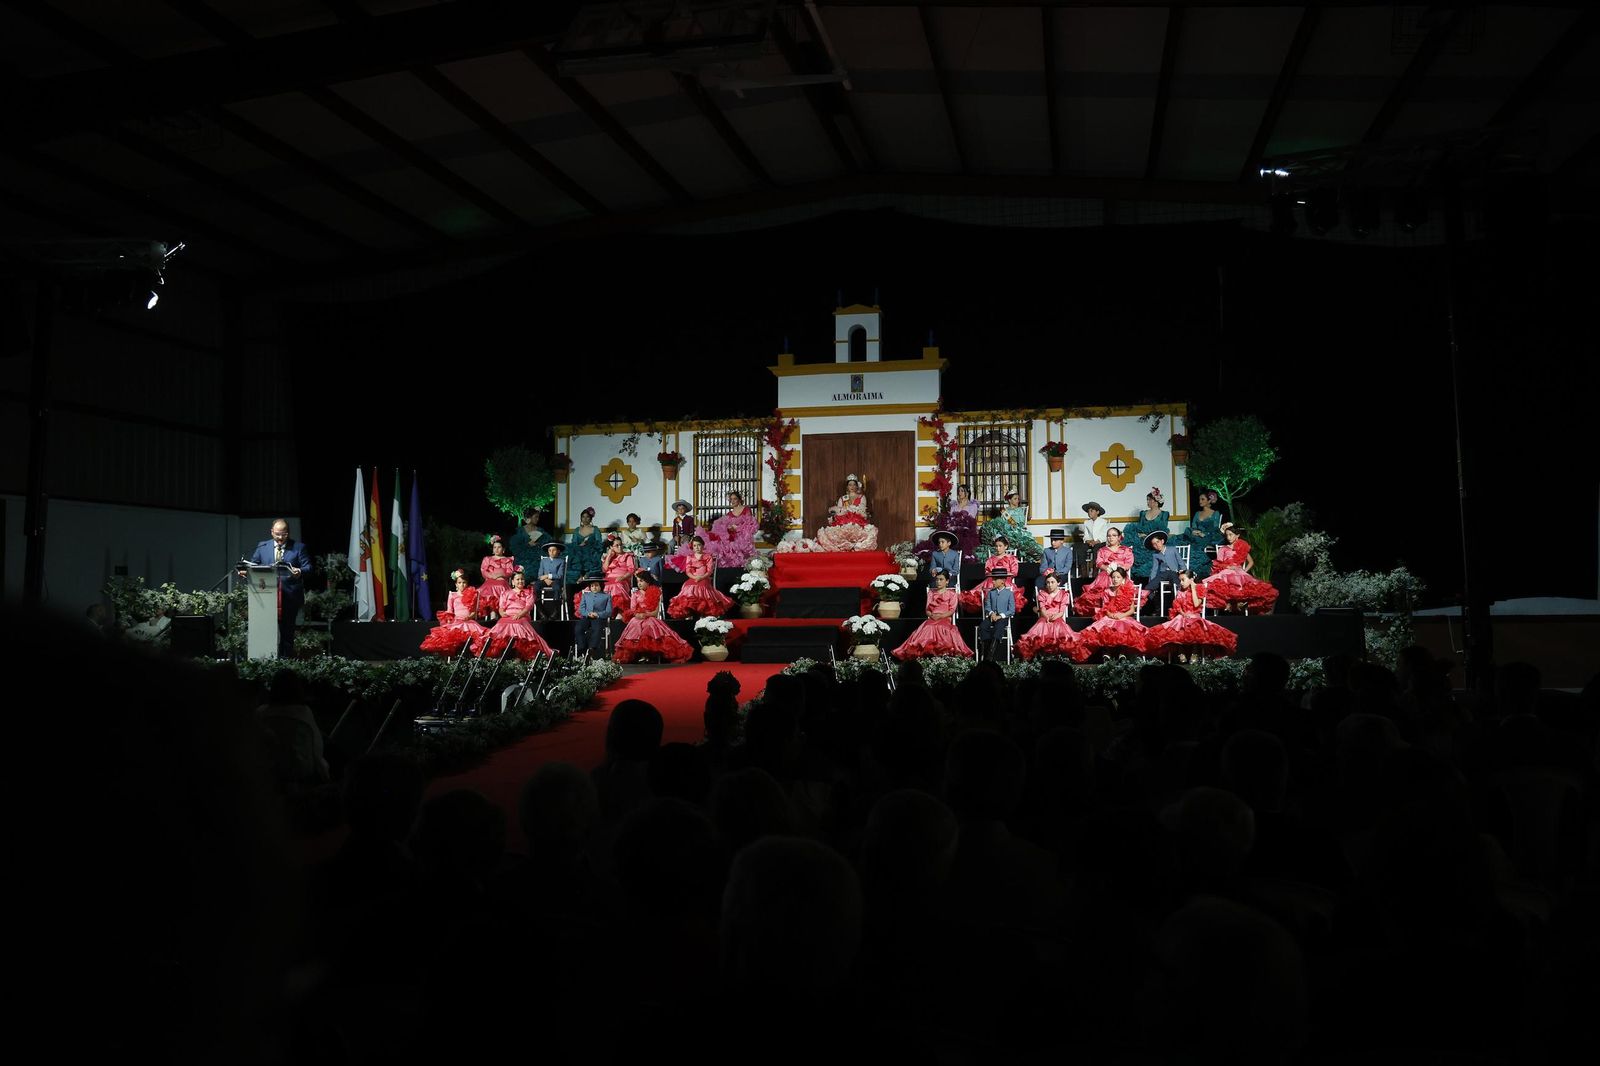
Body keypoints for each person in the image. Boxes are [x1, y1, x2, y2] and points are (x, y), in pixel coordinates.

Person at [243, 518, 312, 658]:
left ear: (288, 533)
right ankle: (267, 660)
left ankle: (286, 662)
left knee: (287, 632)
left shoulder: (298, 547)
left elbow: (308, 567)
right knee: (267, 631)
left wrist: (300, 571)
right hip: (266, 596)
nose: (280, 538)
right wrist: (246, 572)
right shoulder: (263, 546)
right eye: (277, 534)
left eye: (284, 534)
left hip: (290, 596)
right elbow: (254, 565)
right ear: (271, 532)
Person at [1144, 570, 1239, 661]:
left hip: (1194, 615)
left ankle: (1195, 651)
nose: (1181, 583)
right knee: (1178, 627)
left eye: (1183, 580)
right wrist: (1183, 613)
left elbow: (1196, 604)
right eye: (1180, 580)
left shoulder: (1200, 588)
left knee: (1195, 626)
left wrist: (1193, 588)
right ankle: (1181, 651)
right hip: (1182, 616)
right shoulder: (1180, 591)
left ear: (1191, 579)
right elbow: (1177, 605)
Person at [614, 571, 693, 664]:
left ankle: (650, 655)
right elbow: (632, 610)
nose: (639, 583)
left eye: (642, 581)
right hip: (638, 617)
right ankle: (640, 655)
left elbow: (655, 612)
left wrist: (646, 614)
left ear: (648, 581)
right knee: (635, 625)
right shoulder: (636, 594)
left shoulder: (655, 592)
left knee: (649, 625)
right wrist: (638, 614)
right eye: (638, 581)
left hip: (649, 616)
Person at [892, 568, 971, 661]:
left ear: (947, 581)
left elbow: (952, 610)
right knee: (927, 628)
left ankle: (941, 652)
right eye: (937, 579)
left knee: (941, 628)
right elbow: (927, 609)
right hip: (933, 618)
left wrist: (940, 616)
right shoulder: (931, 593)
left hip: (945, 618)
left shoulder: (952, 594)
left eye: (941, 579)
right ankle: (926, 654)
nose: (938, 582)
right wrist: (932, 615)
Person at [474, 568, 553, 660]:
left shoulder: (529, 593)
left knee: (518, 624)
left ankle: (519, 654)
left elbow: (528, 606)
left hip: (521, 616)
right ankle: (500, 652)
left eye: (522, 579)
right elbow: (501, 607)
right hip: (508, 616)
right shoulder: (506, 593)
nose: (520, 581)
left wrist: (520, 614)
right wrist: (502, 613)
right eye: (518, 579)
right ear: (513, 581)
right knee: (501, 624)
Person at [1201, 523, 1280, 614]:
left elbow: (1251, 562)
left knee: (1244, 580)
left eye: (1231, 535)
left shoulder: (1242, 547)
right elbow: (1218, 564)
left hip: (1239, 571)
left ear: (1237, 535)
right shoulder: (1223, 549)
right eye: (1227, 535)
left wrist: (1244, 570)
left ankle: (1239, 602)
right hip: (1226, 570)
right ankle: (1228, 603)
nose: (1228, 537)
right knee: (1224, 581)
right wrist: (1228, 566)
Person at [1017, 572, 1088, 662]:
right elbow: (1042, 609)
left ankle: (1058, 654)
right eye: (1048, 582)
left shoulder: (1063, 594)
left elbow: (1061, 612)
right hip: (1045, 617)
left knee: (1058, 627)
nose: (1050, 585)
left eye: (1052, 582)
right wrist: (1047, 616)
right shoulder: (1042, 594)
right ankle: (1043, 654)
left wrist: (1055, 616)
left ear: (1058, 583)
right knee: (1042, 626)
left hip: (1056, 617)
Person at [1080, 567, 1147, 658]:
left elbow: (1132, 610)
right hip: (1110, 615)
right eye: (1113, 577)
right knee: (1105, 627)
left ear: (1123, 579)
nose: (1115, 579)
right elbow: (1105, 608)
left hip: (1123, 616)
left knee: (1124, 626)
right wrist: (1110, 614)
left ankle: (1122, 652)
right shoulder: (1107, 591)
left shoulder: (1127, 590)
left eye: (1118, 577)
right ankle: (1106, 652)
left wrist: (1121, 615)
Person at [419, 568, 488, 655]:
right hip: (457, 622)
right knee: (450, 639)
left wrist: (469, 617)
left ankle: (472, 657)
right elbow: (449, 612)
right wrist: (449, 624)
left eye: (464, 582)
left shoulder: (472, 595)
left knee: (478, 637)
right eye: (459, 583)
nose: (462, 585)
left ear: (467, 583)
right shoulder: (453, 595)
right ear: (456, 584)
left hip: (469, 622)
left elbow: (474, 612)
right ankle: (450, 658)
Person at [668, 536, 733, 619]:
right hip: (693, 578)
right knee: (688, 587)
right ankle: (691, 611)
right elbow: (688, 570)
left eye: (699, 545)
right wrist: (694, 577)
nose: (697, 547)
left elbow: (709, 571)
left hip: (704, 578)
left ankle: (702, 611)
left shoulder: (707, 557)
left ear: (702, 546)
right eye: (695, 546)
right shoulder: (690, 557)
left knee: (701, 587)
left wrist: (701, 577)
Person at [1075, 526, 1134, 615]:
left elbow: (1128, 563)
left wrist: (1118, 569)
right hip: (1106, 574)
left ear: (1119, 537)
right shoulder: (1102, 550)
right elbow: (1099, 563)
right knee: (1103, 584)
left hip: (1120, 575)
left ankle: (1118, 610)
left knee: (1118, 580)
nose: (1111, 538)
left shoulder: (1125, 550)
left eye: (1114, 535)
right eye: (1109, 536)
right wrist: (1109, 569)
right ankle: (1104, 610)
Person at [960, 541, 1028, 614]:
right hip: (992, 580)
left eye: (1000, 546)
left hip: (1005, 580)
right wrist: (994, 575)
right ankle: (990, 607)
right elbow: (987, 572)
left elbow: (1014, 572)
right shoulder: (991, 559)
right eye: (996, 546)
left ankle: (999, 609)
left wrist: (1002, 575)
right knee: (989, 581)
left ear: (1006, 546)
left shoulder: (1011, 558)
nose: (998, 548)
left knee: (995, 582)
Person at [814, 474, 878, 551]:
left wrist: (850, 510)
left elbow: (862, 510)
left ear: (857, 486)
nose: (852, 487)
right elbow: (839, 511)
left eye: (854, 485)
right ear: (847, 486)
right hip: (843, 524)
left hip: (858, 523)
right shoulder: (842, 498)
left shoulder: (861, 497)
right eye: (850, 485)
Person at [1125, 486, 1170, 582]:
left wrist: (1149, 536)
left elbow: (1162, 531)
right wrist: (1141, 535)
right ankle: (1137, 580)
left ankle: (1151, 579)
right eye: (1147, 500)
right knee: (1133, 550)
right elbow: (1139, 528)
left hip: (1154, 542)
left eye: (1149, 500)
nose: (1148, 502)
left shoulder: (1164, 514)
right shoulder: (1143, 513)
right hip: (1141, 541)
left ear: (1155, 501)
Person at [981, 488, 1038, 561]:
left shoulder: (1020, 510)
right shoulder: (1005, 511)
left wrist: (1026, 519)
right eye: (1015, 499)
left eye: (1018, 499)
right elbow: (1002, 523)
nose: (1018, 500)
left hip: (1017, 532)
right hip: (1007, 532)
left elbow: (1020, 524)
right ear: (1009, 500)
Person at [707, 491, 759, 568]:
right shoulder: (729, 514)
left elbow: (750, 524)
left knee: (744, 558)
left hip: (743, 538)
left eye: (735, 499)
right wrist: (729, 528)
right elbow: (725, 526)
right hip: (733, 538)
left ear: (739, 500)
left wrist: (737, 528)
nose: (733, 501)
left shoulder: (746, 509)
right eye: (731, 499)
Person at [1179, 489, 1224, 578]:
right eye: (1199, 499)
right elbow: (1193, 526)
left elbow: (1215, 528)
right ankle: (1186, 568)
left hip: (1209, 536)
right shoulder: (1197, 513)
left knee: (1197, 544)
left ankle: (1199, 569)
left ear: (1209, 500)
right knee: (1186, 538)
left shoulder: (1215, 513)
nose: (1200, 501)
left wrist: (1205, 534)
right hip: (1196, 536)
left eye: (1202, 499)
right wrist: (1194, 531)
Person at [977, 565, 1017, 661]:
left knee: (999, 628)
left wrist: (1000, 616)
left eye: (995, 579)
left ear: (1003, 581)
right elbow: (987, 605)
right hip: (992, 616)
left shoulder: (1009, 594)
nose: (992, 581)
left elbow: (1011, 610)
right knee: (983, 626)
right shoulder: (991, 592)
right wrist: (991, 613)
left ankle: (990, 654)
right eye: (992, 579)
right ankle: (986, 648)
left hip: (1002, 618)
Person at [1142, 530, 1186, 614]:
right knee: (1159, 577)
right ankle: (1148, 590)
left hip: (1175, 573)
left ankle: (1178, 596)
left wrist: (1183, 572)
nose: (1156, 545)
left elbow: (1181, 562)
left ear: (1162, 541)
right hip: (1163, 575)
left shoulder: (1172, 549)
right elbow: (1154, 569)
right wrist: (1151, 580)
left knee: (1171, 575)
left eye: (1157, 542)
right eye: (1154, 544)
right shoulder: (1156, 555)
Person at [572, 573, 613, 659]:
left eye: (596, 585)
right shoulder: (585, 595)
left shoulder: (606, 596)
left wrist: (597, 614)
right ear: (590, 587)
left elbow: (608, 612)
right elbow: (581, 609)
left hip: (599, 618)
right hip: (587, 617)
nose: (594, 587)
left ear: (601, 586)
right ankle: (583, 648)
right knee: (578, 628)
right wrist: (588, 613)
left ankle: (592, 649)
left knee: (597, 629)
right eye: (592, 586)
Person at [478, 534, 515, 619]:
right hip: (490, 580)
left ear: (503, 549)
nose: (497, 549)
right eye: (495, 547)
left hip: (502, 581)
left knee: (500, 586)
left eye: (499, 547)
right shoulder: (488, 559)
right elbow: (484, 570)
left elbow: (510, 572)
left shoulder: (507, 560)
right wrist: (492, 576)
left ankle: (499, 611)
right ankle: (492, 612)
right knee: (488, 587)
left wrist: (501, 574)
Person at [565, 507, 604, 587]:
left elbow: (599, 542)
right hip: (579, 551)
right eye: (583, 517)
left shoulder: (595, 529)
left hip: (591, 552)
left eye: (587, 517)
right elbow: (574, 543)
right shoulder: (577, 530)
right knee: (572, 557)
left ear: (590, 518)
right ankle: (577, 578)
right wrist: (580, 545)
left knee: (593, 560)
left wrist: (590, 545)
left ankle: (586, 576)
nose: (585, 519)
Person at [510, 510, 554, 577]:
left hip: (537, 557)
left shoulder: (540, 530)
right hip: (523, 558)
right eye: (536, 517)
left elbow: (549, 541)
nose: (537, 519)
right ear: (529, 518)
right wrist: (528, 545)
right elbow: (515, 547)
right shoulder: (520, 531)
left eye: (538, 517)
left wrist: (539, 544)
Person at [600, 534, 637, 613]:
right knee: (598, 587)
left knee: (616, 586)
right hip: (608, 579)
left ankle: (618, 611)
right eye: (616, 545)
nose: (620, 547)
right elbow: (604, 570)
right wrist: (609, 556)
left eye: (620, 545)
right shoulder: (609, 557)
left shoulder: (627, 556)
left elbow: (631, 570)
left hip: (622, 579)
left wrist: (623, 577)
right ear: (611, 547)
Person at [535, 541, 567, 621]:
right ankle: (541, 612)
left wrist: (548, 576)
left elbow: (559, 575)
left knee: (557, 588)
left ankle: (555, 612)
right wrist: (545, 579)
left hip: (555, 580)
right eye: (549, 550)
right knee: (536, 587)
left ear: (558, 551)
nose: (551, 552)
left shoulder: (561, 561)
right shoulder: (544, 561)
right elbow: (540, 575)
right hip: (544, 580)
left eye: (554, 550)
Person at [1081, 501, 1110, 580]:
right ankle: (1084, 572)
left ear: (1097, 512)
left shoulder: (1103, 522)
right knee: (1080, 547)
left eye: (1091, 511)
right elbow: (1086, 535)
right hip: (1090, 542)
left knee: (1096, 549)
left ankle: (1095, 571)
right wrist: (1088, 541)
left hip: (1100, 542)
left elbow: (1104, 535)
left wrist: (1095, 542)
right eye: (1088, 511)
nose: (1089, 513)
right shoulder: (1087, 522)